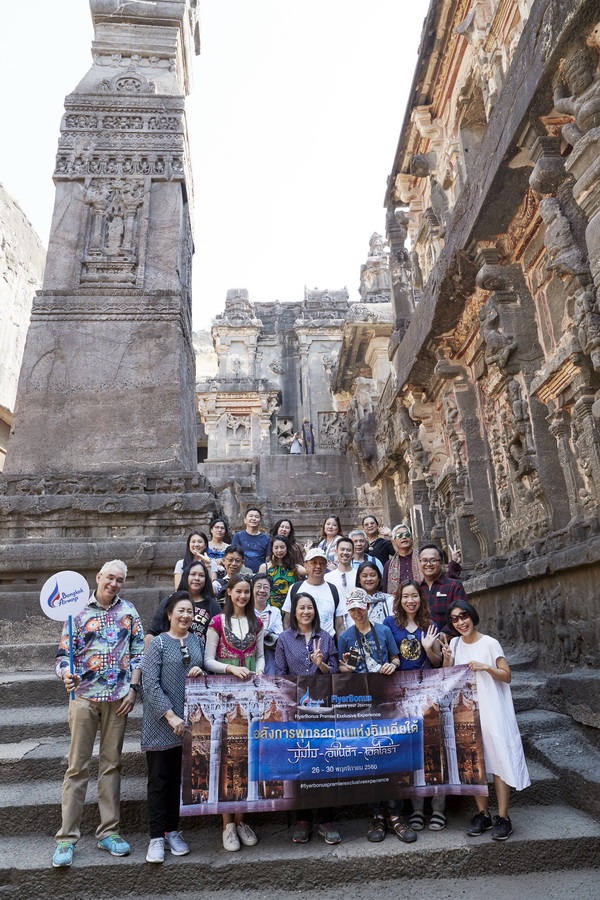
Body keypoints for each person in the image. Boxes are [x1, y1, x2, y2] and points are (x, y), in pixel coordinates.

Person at [52, 560, 144, 868]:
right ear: (98, 577)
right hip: (83, 698)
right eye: (110, 577)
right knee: (77, 766)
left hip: (118, 699)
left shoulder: (129, 612)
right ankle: (66, 837)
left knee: (112, 765)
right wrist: (65, 673)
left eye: (119, 579)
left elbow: (138, 655)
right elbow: (63, 654)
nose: (114, 583)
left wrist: (133, 690)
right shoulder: (75, 611)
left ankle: (109, 832)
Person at [442, 599, 530, 841]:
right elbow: (447, 677)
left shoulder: (490, 643)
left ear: (472, 616)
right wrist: (447, 658)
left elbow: (507, 676)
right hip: (467, 712)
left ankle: (503, 817)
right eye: (455, 619)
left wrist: (487, 668)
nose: (460, 622)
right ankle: (483, 814)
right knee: (474, 763)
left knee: (499, 760)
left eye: (463, 616)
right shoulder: (454, 643)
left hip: (492, 709)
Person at [338, 589, 416, 845]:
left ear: (368, 606)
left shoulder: (383, 631)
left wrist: (393, 664)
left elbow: (395, 657)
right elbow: (341, 666)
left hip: (386, 700)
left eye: (360, 607)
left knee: (391, 755)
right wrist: (345, 667)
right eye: (352, 609)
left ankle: (395, 815)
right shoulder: (345, 636)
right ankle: (377, 816)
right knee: (368, 758)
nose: (357, 612)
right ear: (348, 611)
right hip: (360, 703)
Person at [141, 591, 204, 863]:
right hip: (162, 723)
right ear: (169, 614)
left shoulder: (196, 640)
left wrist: (201, 671)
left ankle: (172, 830)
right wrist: (170, 716)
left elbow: (201, 669)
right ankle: (156, 836)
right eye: (181, 610)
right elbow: (149, 683)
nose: (186, 615)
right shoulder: (158, 643)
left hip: (188, 723)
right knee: (159, 781)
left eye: (190, 611)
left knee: (179, 782)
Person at [204, 574, 264, 851]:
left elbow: (261, 654)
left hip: (250, 691)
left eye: (246, 592)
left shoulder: (257, 622)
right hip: (223, 692)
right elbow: (208, 659)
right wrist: (230, 668)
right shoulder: (216, 623)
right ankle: (227, 823)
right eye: (238, 591)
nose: (242, 596)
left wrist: (260, 669)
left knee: (249, 755)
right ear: (228, 593)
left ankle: (242, 820)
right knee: (224, 755)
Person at [275, 591, 340, 845]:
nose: (305, 612)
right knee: (300, 762)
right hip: (296, 710)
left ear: (315, 612)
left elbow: (333, 672)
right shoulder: (283, 639)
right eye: (301, 608)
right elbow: (280, 675)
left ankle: (325, 820)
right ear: (294, 612)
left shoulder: (325, 638)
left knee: (325, 762)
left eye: (309, 608)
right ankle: (303, 820)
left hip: (323, 709)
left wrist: (320, 663)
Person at [383, 579, 446, 831]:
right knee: (410, 751)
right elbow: (389, 657)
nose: (410, 600)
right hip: (401, 697)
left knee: (434, 747)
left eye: (415, 596)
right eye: (405, 596)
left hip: (429, 695)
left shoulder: (430, 626)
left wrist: (429, 648)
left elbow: (438, 663)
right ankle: (418, 808)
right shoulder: (389, 625)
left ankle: (439, 808)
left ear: (421, 599)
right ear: (399, 599)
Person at [146, 560, 221, 652]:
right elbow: (153, 632)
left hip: (200, 659)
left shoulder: (212, 605)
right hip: (169, 656)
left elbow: (219, 637)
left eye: (201, 575)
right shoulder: (169, 601)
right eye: (193, 574)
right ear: (186, 576)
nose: (197, 578)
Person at [282, 548, 345, 638]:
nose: (318, 566)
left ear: (326, 566)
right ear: (305, 565)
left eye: (322, 563)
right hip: (299, 644)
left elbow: (340, 626)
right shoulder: (295, 588)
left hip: (327, 646)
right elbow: (287, 621)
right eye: (314, 563)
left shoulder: (334, 590)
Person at [383, 524, 462, 594]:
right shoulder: (389, 565)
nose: (404, 537)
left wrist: (454, 563)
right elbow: (385, 592)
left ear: (412, 539)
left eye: (407, 534)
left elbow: (441, 579)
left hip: (426, 601)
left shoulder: (423, 559)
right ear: (394, 542)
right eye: (399, 536)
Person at [418, 543, 468, 635]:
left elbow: (461, 616)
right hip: (421, 643)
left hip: (449, 644)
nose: (428, 564)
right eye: (424, 560)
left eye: (433, 560)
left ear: (441, 562)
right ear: (419, 562)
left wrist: (442, 637)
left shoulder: (454, 586)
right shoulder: (416, 589)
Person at [259, 535, 305, 611]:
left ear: (287, 548)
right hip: (269, 606)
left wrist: (307, 550)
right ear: (272, 549)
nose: (279, 550)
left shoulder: (294, 567)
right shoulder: (265, 567)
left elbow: (309, 570)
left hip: (289, 606)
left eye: (282, 547)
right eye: (276, 548)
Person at [252, 574, 283, 674]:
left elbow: (279, 636)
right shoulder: (246, 611)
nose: (262, 590)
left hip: (270, 657)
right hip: (250, 656)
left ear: (270, 591)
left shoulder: (275, 611)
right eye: (258, 586)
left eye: (266, 587)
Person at [231, 507, 271, 574]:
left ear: (260, 521)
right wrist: (244, 571)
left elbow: (268, 559)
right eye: (251, 516)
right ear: (245, 520)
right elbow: (235, 555)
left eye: (256, 517)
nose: (253, 519)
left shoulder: (267, 539)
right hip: (240, 572)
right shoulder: (238, 536)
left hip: (260, 574)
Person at [354, 560, 394, 626]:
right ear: (359, 580)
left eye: (373, 575)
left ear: (379, 578)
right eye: (364, 576)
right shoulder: (355, 601)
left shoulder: (389, 600)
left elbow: (393, 625)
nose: (369, 579)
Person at [324, 537, 357, 608]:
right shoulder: (327, 577)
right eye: (342, 549)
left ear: (353, 554)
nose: (345, 553)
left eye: (348, 550)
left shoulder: (359, 575)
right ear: (336, 552)